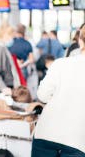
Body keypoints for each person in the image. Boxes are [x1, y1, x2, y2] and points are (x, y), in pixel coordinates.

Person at [32, 26, 85, 157]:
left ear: (80, 41)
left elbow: (42, 96)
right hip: (78, 140)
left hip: (46, 133)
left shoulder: (60, 64)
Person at [0, 24, 21, 96]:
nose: (13, 39)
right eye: (12, 36)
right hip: (3, 88)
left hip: (5, 87)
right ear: (5, 35)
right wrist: (3, 88)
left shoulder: (3, 47)